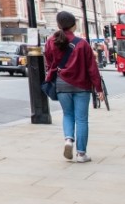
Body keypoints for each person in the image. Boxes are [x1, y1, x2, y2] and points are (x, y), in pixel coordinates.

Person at [43, 10, 104, 164]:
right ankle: (81, 154)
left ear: (58, 25)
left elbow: (49, 64)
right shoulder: (82, 44)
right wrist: (99, 89)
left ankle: (68, 140)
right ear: (74, 25)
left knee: (67, 115)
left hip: (61, 84)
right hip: (82, 85)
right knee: (81, 119)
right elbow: (92, 68)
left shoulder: (51, 42)